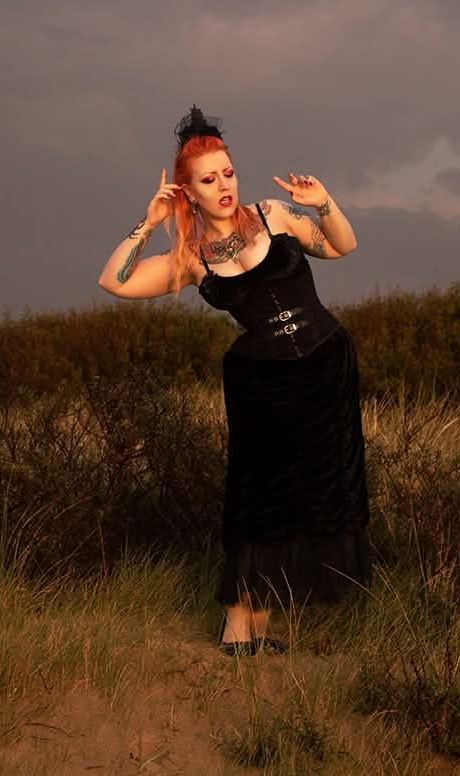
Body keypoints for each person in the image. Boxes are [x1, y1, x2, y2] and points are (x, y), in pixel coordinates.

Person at [97, 106, 371, 656]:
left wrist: (323, 203)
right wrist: (149, 223)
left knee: (310, 493)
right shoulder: (192, 258)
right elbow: (114, 281)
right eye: (208, 180)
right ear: (188, 192)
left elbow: (343, 245)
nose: (223, 186)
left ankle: (258, 628)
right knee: (259, 498)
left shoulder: (275, 215)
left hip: (324, 368)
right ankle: (237, 629)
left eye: (227, 173)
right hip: (263, 386)